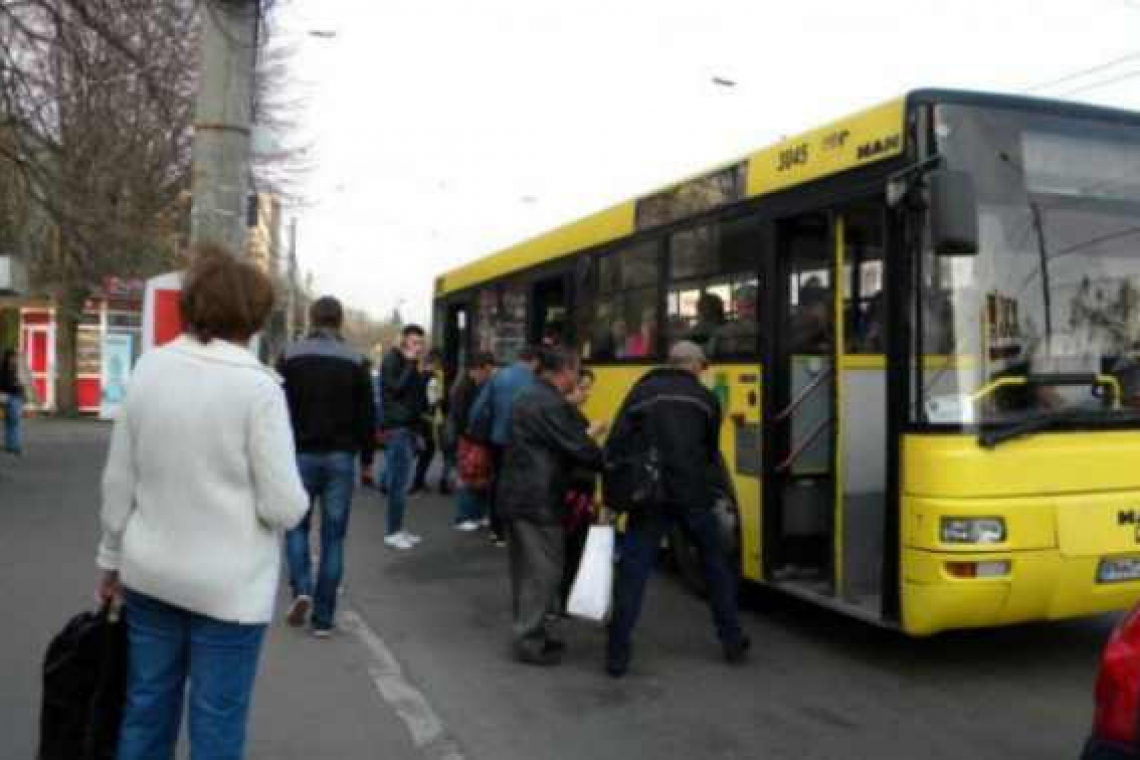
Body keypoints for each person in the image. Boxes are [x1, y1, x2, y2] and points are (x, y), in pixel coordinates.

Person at [96, 246, 309, 759]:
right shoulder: (258, 389)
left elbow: (119, 481)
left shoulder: (150, 368)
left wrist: (110, 559)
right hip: (228, 591)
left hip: (150, 576)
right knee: (216, 728)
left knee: (145, 711)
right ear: (253, 317)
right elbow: (283, 506)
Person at [605, 340, 750, 678]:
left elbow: (617, 445)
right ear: (693, 364)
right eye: (703, 366)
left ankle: (617, 654)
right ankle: (731, 640)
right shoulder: (706, 399)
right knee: (715, 566)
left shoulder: (641, 393)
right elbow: (710, 454)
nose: (703, 371)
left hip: (649, 496)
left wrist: (614, 500)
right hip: (693, 496)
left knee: (633, 573)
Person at [277, 296, 376, 636]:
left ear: (312, 318)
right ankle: (323, 619)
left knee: (296, 526)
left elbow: (275, 408)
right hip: (340, 458)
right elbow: (367, 416)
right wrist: (367, 461)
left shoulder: (289, 356)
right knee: (334, 537)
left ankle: (302, 588)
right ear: (340, 320)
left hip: (299, 456)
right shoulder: (357, 361)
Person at [497, 346, 603, 665]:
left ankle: (533, 632)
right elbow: (580, 447)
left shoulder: (531, 395)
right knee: (545, 571)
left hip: (519, 495)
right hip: (537, 498)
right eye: (577, 371)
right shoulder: (548, 402)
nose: (578, 378)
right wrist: (606, 456)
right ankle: (530, 640)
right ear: (565, 370)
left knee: (528, 570)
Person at [468, 345, 540, 546]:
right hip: (524, 442)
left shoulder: (498, 377)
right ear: (534, 361)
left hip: (498, 440)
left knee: (498, 483)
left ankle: (497, 531)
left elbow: (478, 408)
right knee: (522, 485)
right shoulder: (535, 380)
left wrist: (474, 432)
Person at [559, 368, 607, 612]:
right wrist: (592, 434)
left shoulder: (572, 414)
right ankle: (562, 598)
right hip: (573, 493)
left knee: (573, 548)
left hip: (580, 491)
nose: (586, 394)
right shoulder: (564, 417)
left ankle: (564, 597)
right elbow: (572, 451)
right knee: (570, 547)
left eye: (589, 388)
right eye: (582, 388)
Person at [380, 324, 428, 549]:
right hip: (398, 427)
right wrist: (410, 364)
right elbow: (396, 388)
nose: (418, 347)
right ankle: (393, 532)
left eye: (420, 343)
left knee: (401, 481)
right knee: (398, 484)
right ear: (403, 340)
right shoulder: (393, 359)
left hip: (408, 427)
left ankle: (398, 528)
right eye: (414, 342)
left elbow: (416, 395)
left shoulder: (410, 362)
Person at [449, 351, 497, 530]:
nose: (490, 375)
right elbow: (461, 418)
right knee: (468, 478)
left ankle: (477, 514)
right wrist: (473, 436)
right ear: (479, 369)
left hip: (476, 438)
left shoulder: (476, 385)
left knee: (480, 478)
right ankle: (463, 517)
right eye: (488, 371)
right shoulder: (464, 388)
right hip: (469, 439)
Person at [410, 349, 446, 495]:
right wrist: (438, 403)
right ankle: (417, 482)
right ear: (435, 362)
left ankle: (418, 481)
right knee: (427, 451)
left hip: (419, 418)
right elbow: (433, 400)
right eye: (439, 362)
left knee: (422, 451)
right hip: (427, 419)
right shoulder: (432, 378)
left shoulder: (420, 376)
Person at [0, 347, 36, 455]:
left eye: (15, 357)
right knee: (9, 422)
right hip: (6, 397)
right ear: (7, 358)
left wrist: (26, 396)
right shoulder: (4, 370)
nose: (14, 359)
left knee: (14, 422)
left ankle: (14, 446)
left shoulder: (19, 369)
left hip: (16, 397)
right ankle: (12, 445)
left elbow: (26, 383)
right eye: (13, 357)